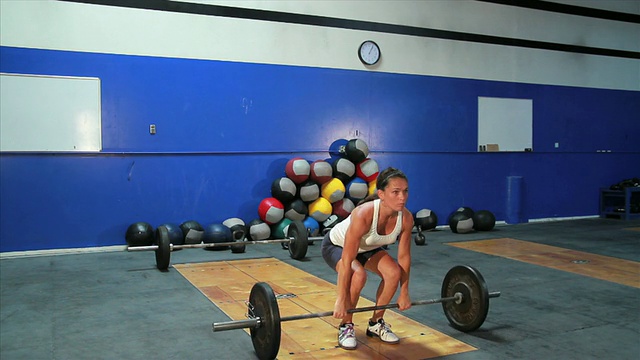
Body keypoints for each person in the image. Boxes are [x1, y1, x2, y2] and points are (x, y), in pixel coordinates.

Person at [321, 167, 414, 350]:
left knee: (393, 273)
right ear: (381, 194)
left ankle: (376, 323)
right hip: (336, 246)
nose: (402, 197)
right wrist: (341, 299)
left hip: (367, 248)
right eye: (395, 192)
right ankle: (346, 325)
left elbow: (404, 258)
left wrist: (404, 292)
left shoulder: (406, 218)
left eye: (405, 191)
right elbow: (347, 260)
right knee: (358, 275)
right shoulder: (364, 214)